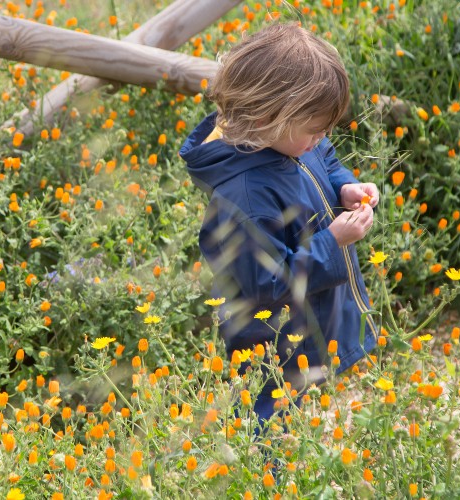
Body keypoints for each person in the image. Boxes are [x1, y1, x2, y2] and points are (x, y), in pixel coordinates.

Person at [180, 22, 379, 425]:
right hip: (273, 337)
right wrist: (332, 242)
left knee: (306, 391)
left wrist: (344, 188)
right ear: (267, 115)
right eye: (314, 129)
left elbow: (322, 158)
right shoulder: (245, 198)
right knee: (271, 406)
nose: (321, 136)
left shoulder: (288, 138)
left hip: (310, 317)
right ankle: (260, 471)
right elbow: (267, 284)